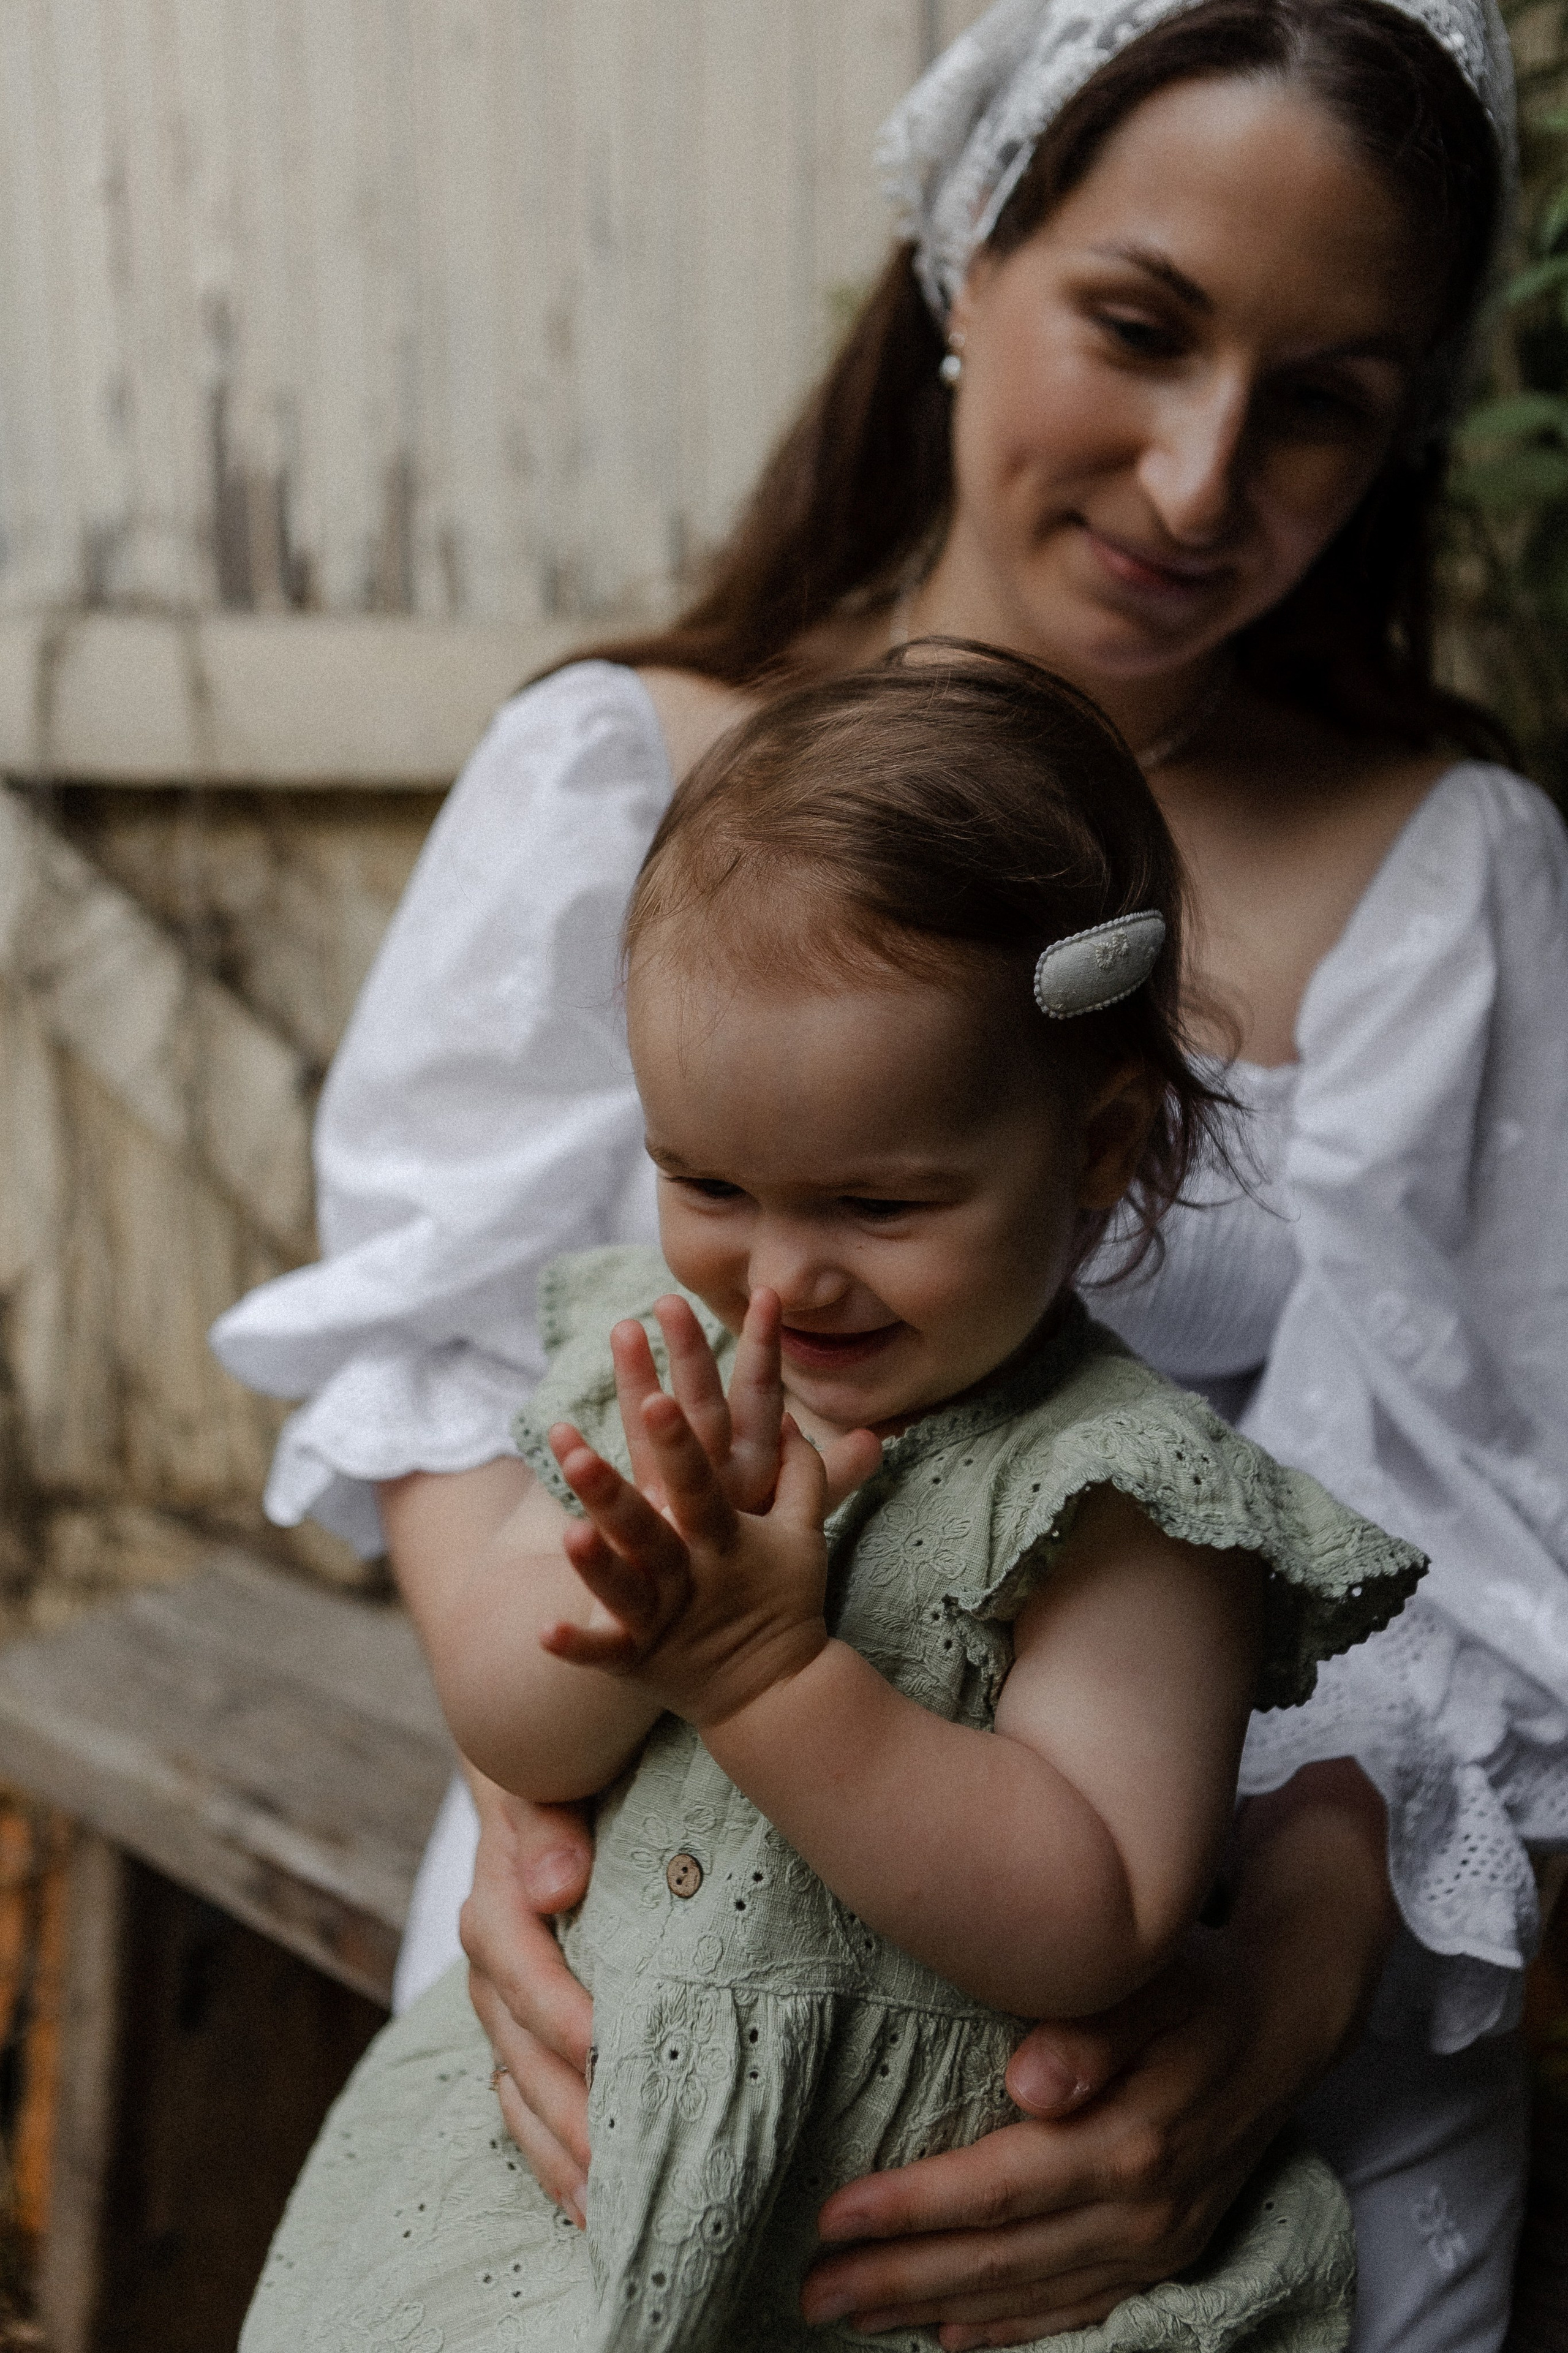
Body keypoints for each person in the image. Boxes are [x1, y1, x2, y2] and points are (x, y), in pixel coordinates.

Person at [211, 0, 1568, 2345]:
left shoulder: (1448, 876)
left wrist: (1291, 1972)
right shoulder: (621, 782)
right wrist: (557, 1752)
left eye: (1322, 398)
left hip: (1182, 1901)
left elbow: (1475, 1545)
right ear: (968, 259)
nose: (1193, 477)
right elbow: (454, 1389)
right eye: (1138, 328)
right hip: (645, 1840)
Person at [241, 649, 1426, 2353]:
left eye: (879, 1202)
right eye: (709, 1182)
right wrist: (638, 1616)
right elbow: (507, 1709)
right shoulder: (660, 1372)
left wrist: (765, 1680)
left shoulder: (1115, 1502)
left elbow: (1090, 1907)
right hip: (567, 2199)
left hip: (928, 2253)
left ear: (1093, 1156)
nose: (782, 1279)